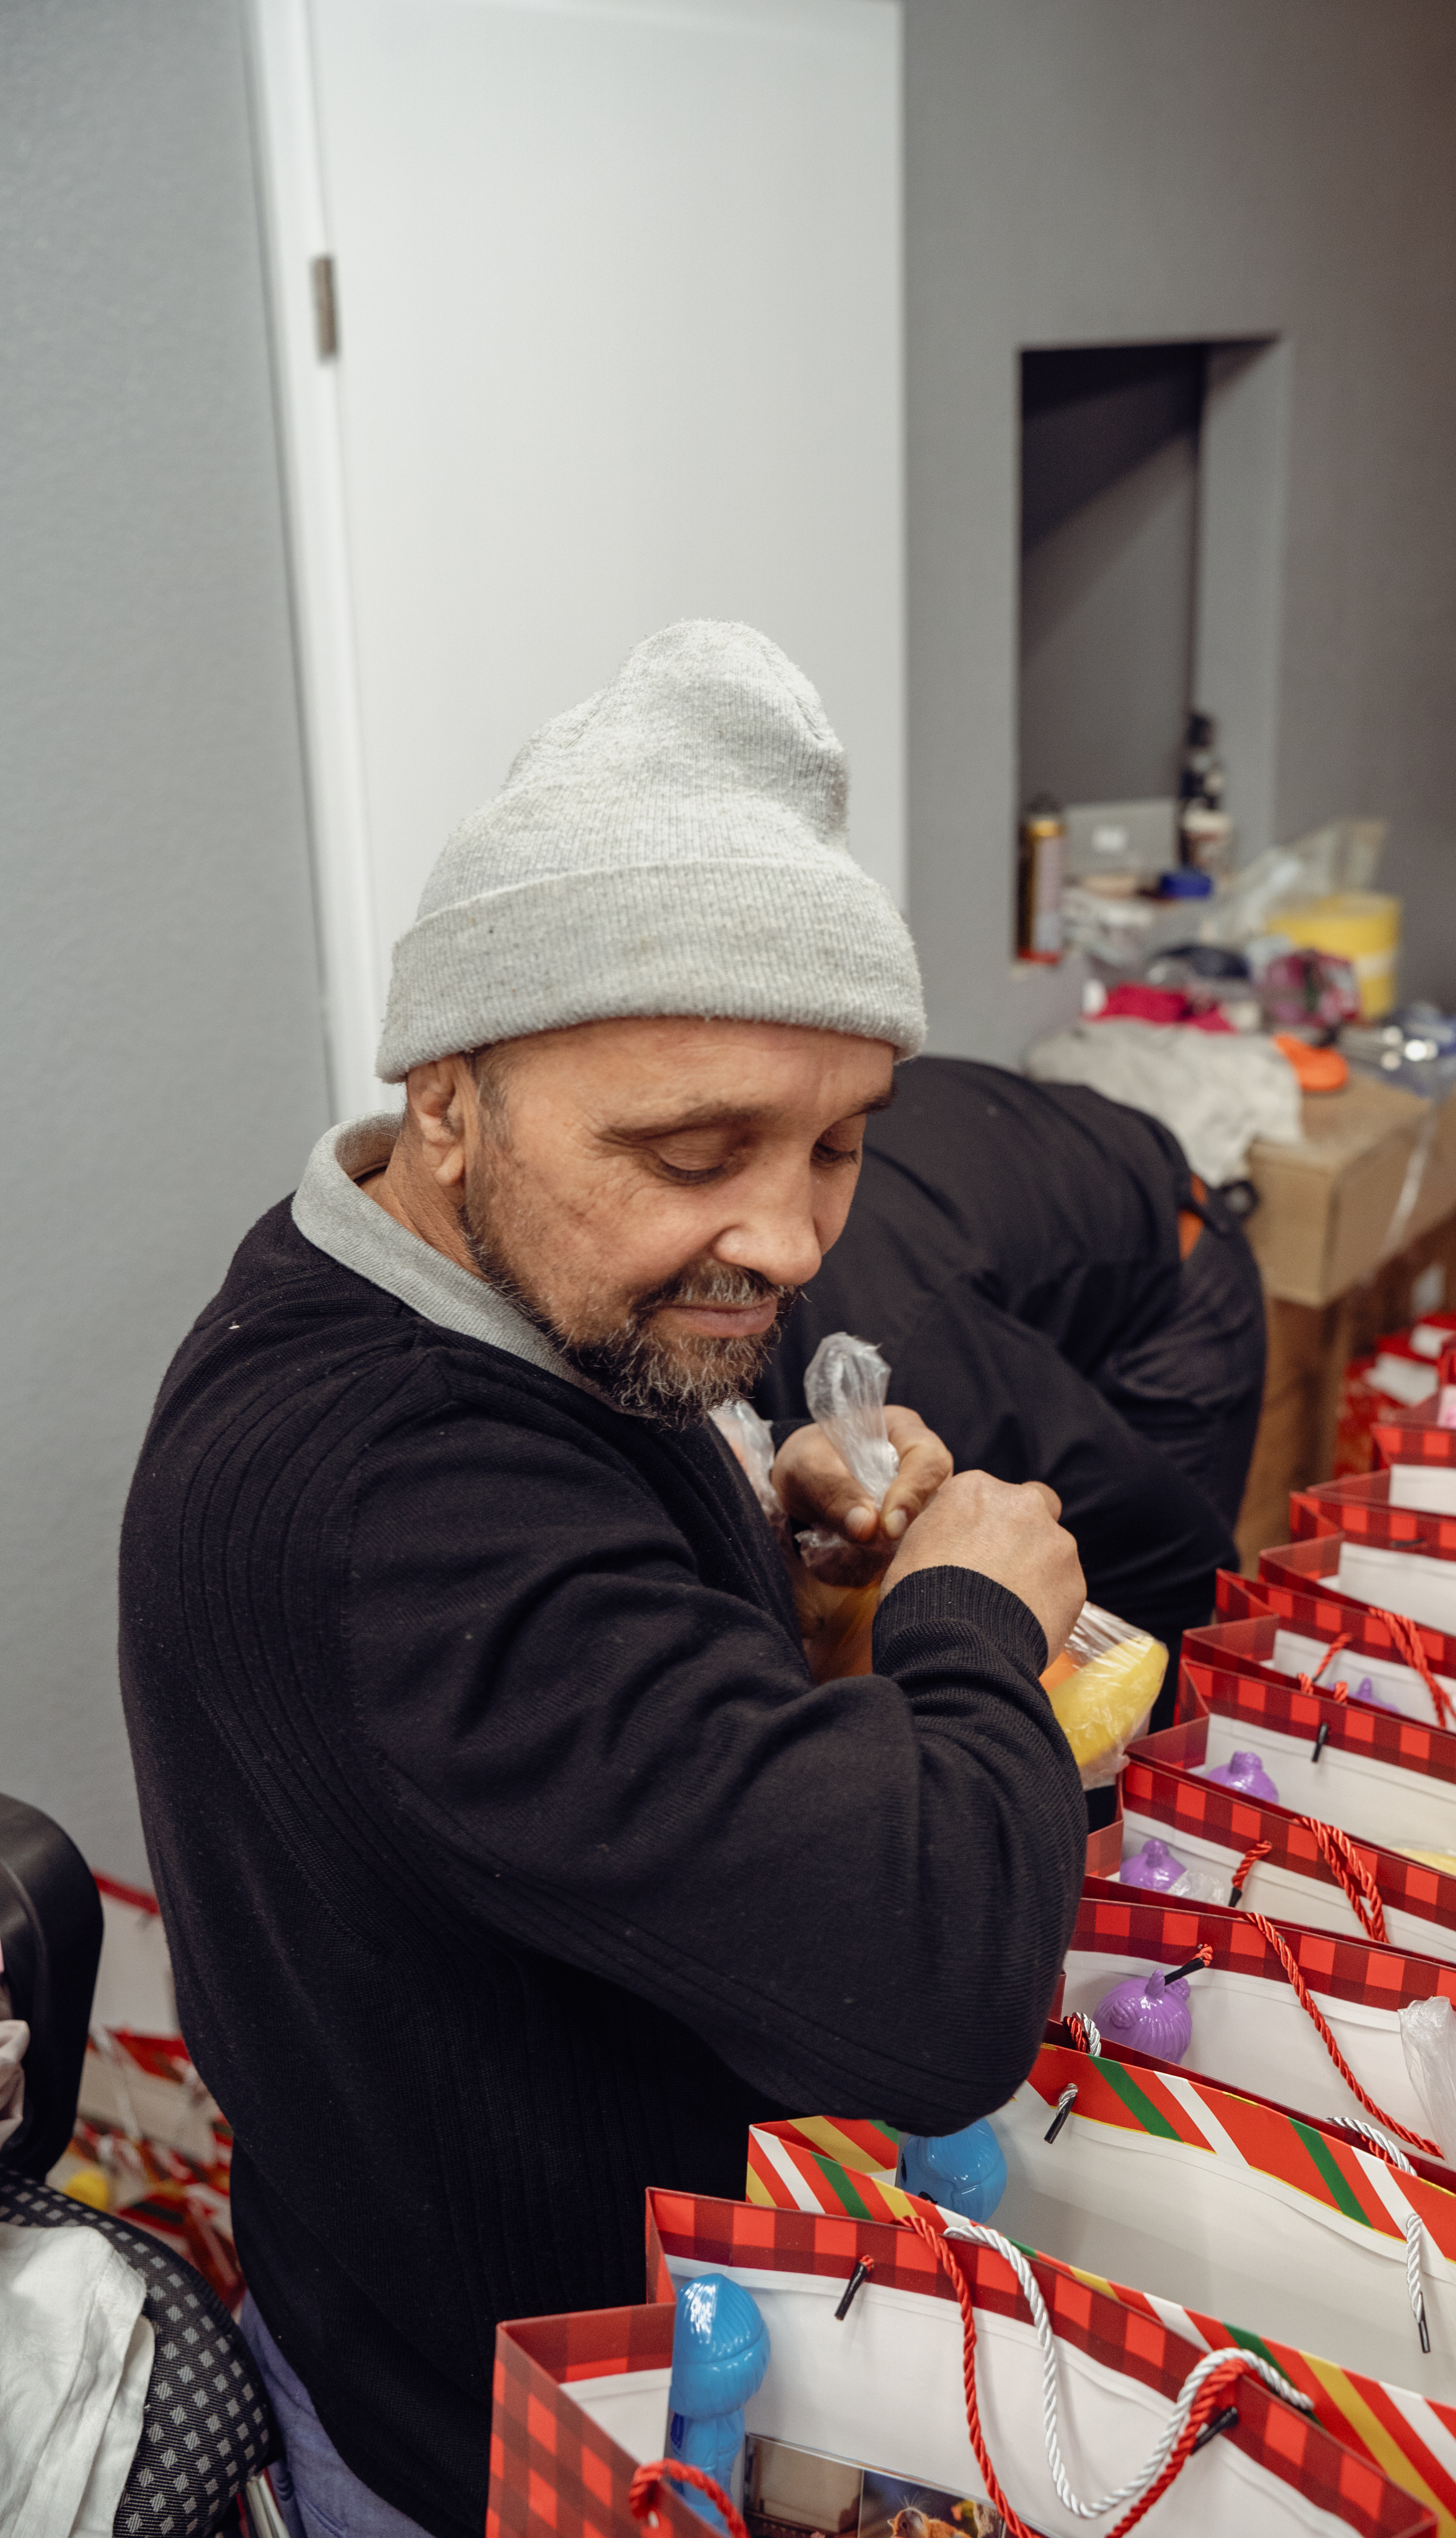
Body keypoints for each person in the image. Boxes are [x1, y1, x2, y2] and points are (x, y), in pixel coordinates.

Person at [118, 623, 1088, 2538]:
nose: (788, 1237)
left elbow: (533, 1688)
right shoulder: (397, 1504)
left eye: (833, 1147)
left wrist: (756, 1562)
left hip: (483, 2256)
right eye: (690, 1149)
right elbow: (926, 1982)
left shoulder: (401, 1269)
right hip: (503, 2428)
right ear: (451, 1089)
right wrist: (961, 1623)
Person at [758, 1055, 1265, 1717]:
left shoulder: (897, 1370)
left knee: (1136, 1632)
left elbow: (1174, 1553)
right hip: (985, 1214)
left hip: (1165, 1266)